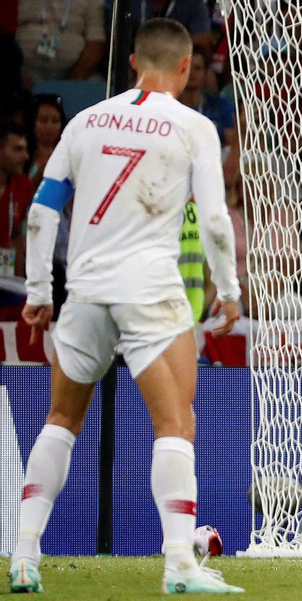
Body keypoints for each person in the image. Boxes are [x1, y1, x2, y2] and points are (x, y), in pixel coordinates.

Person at [13, 19, 242, 594]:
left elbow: (42, 213)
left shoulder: (84, 122)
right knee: (175, 423)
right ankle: (180, 566)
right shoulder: (193, 127)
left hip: (85, 290)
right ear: (186, 68)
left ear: (133, 63)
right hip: (151, 292)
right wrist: (230, 290)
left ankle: (22, 557)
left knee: (61, 421)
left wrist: (40, 294)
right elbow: (215, 220)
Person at [1, 124, 32, 278]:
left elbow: (17, 237)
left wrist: (20, 286)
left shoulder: (23, 186)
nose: (26, 156)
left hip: (6, 278)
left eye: (25, 149)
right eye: (18, 150)